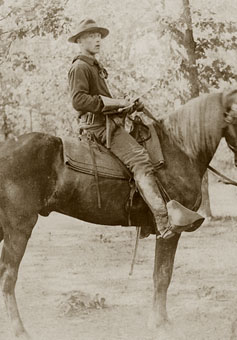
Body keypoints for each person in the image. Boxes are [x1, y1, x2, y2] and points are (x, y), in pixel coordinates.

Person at [67, 19, 174, 239]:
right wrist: (116, 103)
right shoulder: (81, 66)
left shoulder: (93, 66)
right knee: (141, 161)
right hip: (99, 128)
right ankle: (163, 222)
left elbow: (101, 101)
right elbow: (78, 100)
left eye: (98, 35)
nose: (97, 39)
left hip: (107, 123)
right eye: (90, 36)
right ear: (79, 40)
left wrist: (126, 105)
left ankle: (144, 219)